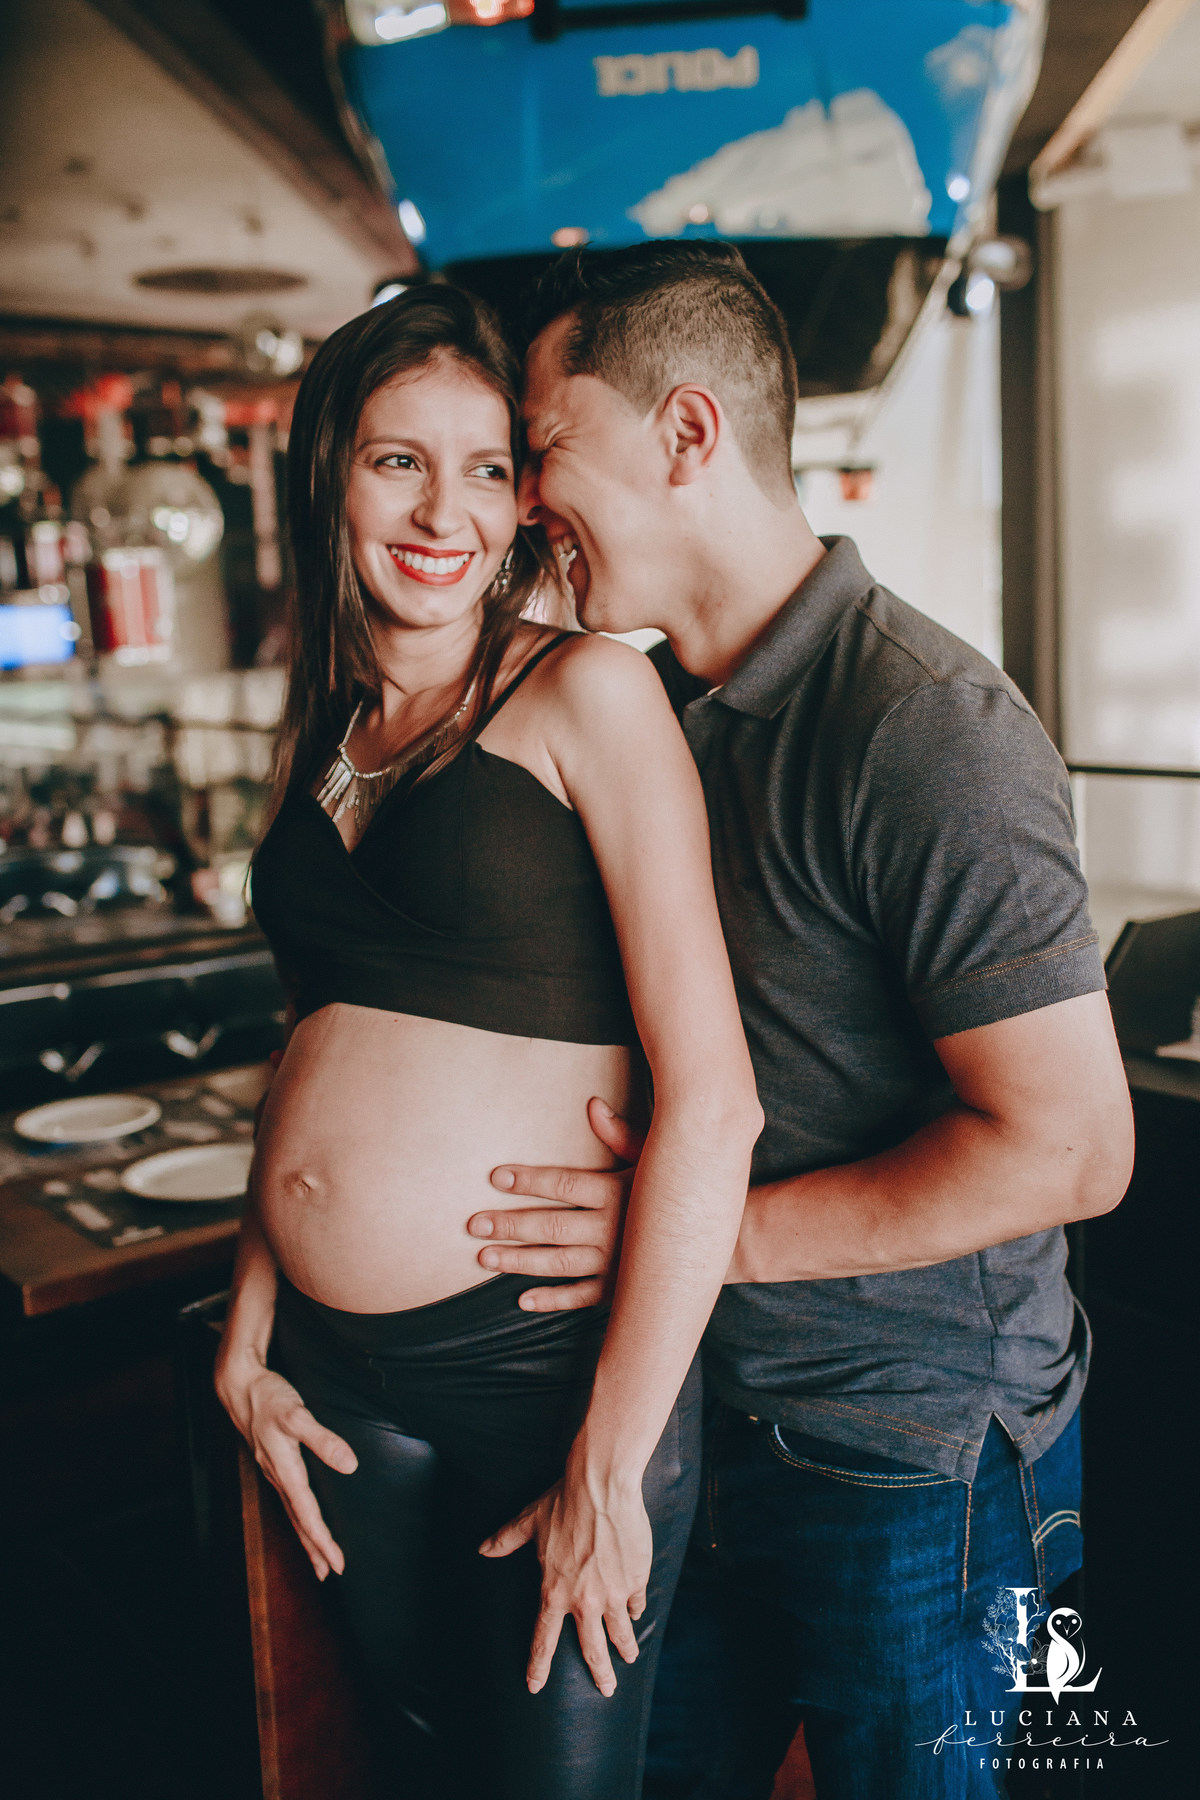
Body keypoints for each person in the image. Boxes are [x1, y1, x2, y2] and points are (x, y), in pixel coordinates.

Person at [463, 243, 1135, 1799]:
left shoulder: (928, 725)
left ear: (686, 432)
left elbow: (1072, 1149)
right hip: (715, 1418)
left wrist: (704, 1235)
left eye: (543, 446)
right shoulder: (658, 710)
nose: (522, 494)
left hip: (918, 1462)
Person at [213, 284, 762, 1800]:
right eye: (398, 461)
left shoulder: (589, 689)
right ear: (331, 476)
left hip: (548, 1373)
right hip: (336, 1380)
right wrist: (249, 1323)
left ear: (525, 500)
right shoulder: (327, 735)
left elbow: (714, 1101)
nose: (441, 511)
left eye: (484, 467)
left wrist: (606, 1464)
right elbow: (310, 1044)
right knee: (422, 1756)